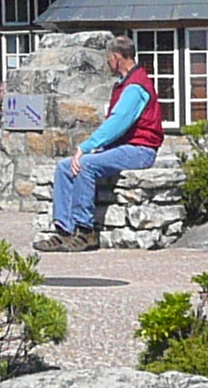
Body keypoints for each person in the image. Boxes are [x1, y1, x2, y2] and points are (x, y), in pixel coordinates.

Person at [39, 34, 161, 252]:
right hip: (123, 148)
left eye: (109, 58)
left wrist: (85, 148)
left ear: (116, 57)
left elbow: (118, 123)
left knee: (85, 165)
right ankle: (64, 230)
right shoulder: (125, 84)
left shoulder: (136, 86)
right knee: (64, 167)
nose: (107, 63)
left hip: (140, 149)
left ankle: (86, 231)